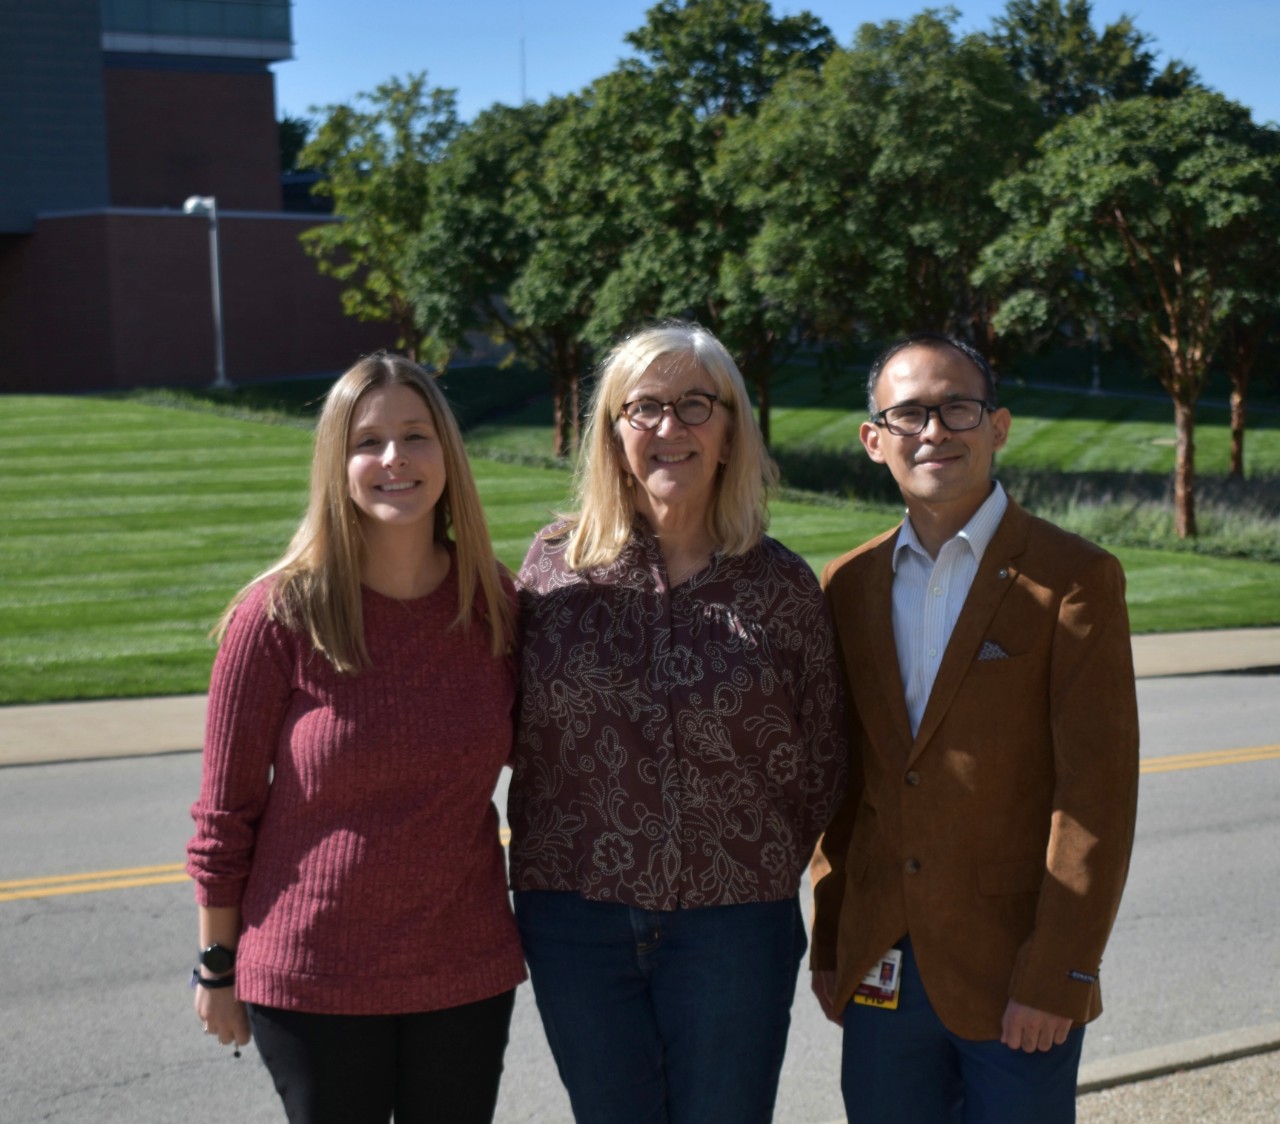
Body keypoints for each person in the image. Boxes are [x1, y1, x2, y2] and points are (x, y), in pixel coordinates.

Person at [509, 321, 849, 1124]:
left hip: (734, 926)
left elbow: (828, 761)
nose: (670, 428)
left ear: (731, 428)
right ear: (612, 433)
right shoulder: (551, 569)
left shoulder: (782, 587)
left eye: (696, 404)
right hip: (575, 918)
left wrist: (747, 864)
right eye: (645, 407)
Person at [185, 353, 527, 1124]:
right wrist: (217, 967)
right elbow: (223, 816)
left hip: (462, 969)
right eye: (368, 442)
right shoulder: (277, 617)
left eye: (415, 436)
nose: (394, 459)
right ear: (336, 462)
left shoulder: (494, 604)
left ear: (448, 453)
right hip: (312, 975)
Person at [811, 333, 1140, 1123]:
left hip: (1016, 977)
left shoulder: (1075, 578)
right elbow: (839, 788)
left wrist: (1057, 974)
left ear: (997, 425)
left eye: (957, 407)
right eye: (909, 413)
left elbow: (1095, 796)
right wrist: (832, 948)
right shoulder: (847, 584)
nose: (934, 431)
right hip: (881, 968)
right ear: (873, 439)